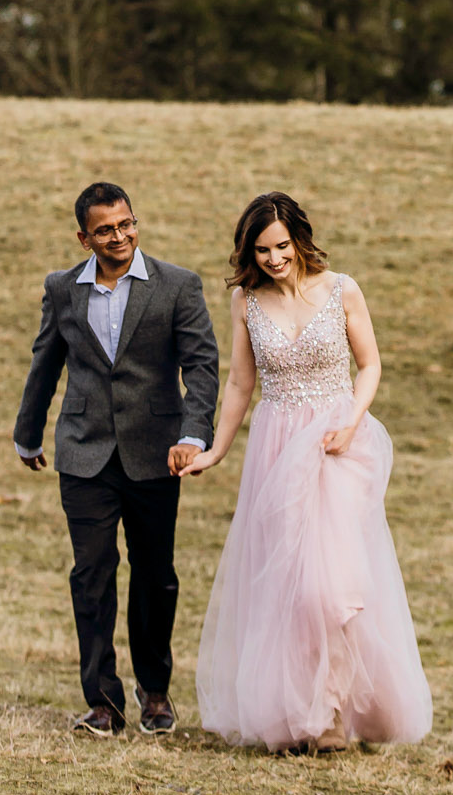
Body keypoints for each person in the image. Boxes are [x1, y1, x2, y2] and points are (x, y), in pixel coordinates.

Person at [183, 192, 431, 752]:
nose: (273, 259)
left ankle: (338, 711)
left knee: (331, 586)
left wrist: (352, 419)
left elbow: (370, 365)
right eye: (262, 250)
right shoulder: (247, 301)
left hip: (337, 445)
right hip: (276, 448)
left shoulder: (342, 289)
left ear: (300, 239)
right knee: (289, 588)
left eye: (281, 246)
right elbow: (241, 383)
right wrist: (216, 451)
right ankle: (307, 715)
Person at [14, 182, 219, 736]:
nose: (120, 236)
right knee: (92, 574)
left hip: (157, 454)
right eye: (105, 229)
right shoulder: (63, 290)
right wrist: (27, 434)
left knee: (156, 576)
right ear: (85, 237)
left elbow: (201, 367)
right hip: (83, 453)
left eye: (126, 224)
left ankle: (154, 692)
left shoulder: (177, 286)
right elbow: (45, 361)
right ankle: (103, 703)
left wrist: (196, 436)